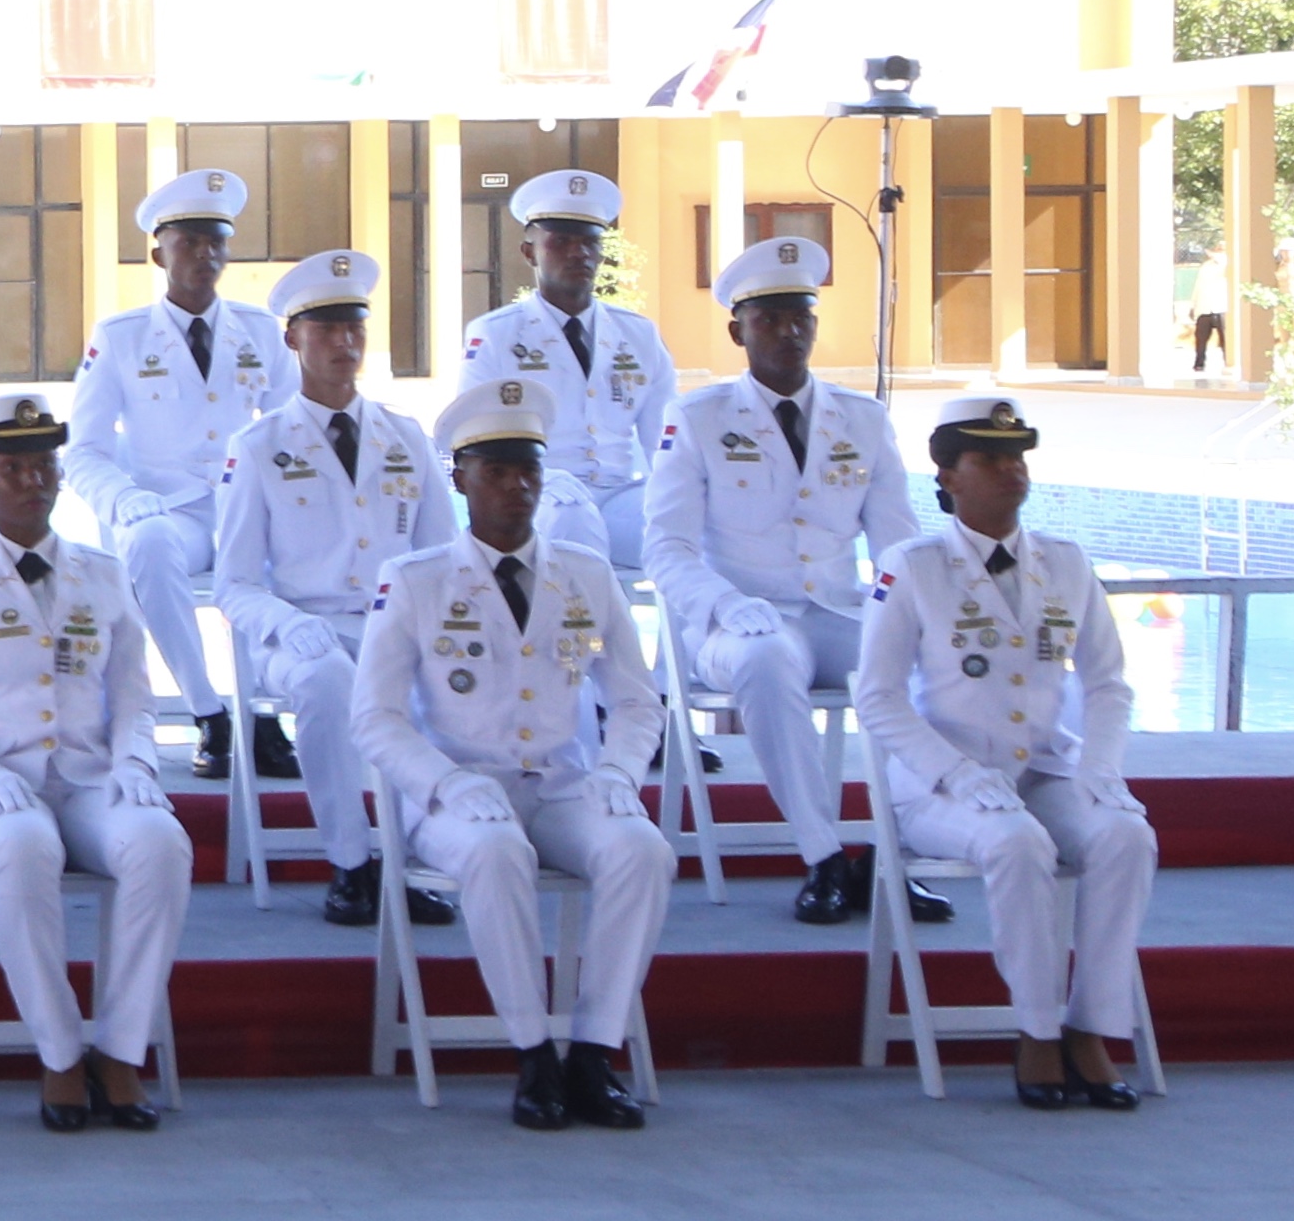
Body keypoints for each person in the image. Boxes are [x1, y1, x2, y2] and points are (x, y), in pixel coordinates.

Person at [356, 378, 671, 1130]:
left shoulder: (585, 575)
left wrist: (620, 772)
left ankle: (593, 1050)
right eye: (495, 471)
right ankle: (534, 1054)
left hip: (561, 784)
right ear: (460, 479)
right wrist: (445, 782)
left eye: (528, 469)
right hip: (458, 793)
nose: (516, 486)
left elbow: (636, 700)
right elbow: (375, 718)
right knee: (497, 853)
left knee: (643, 851)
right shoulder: (415, 582)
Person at [856, 392, 1155, 1110]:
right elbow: (878, 697)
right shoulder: (914, 566)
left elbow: (1108, 684)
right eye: (988, 458)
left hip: (1045, 770)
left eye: (1016, 456)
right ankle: (1037, 1030)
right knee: (1017, 843)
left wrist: (1100, 768)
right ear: (948, 475)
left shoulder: (1067, 562)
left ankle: (1092, 1025)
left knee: (1126, 836)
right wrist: (956, 773)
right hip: (942, 787)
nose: (1010, 470)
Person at [0, 393, 187, 1132]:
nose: (33, 481)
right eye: (14, 468)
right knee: (22, 847)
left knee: (161, 843)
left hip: (90, 778)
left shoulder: (103, 572)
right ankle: (60, 1053)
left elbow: (135, 698)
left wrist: (137, 764)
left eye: (44, 466)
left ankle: (121, 1048)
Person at [646, 236, 926, 924]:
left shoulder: (863, 419)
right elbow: (667, 548)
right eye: (768, 318)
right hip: (737, 622)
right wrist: (723, 603)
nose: (789, 331)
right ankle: (823, 856)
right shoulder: (699, 418)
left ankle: (894, 853)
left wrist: (910, 620)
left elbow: (897, 545)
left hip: (834, 612)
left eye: (801, 316)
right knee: (767, 660)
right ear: (737, 331)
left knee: (935, 668)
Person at [211, 249, 455, 927]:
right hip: (301, 630)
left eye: (355, 327)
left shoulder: (406, 437)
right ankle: (352, 864)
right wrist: (287, 624)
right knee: (324, 681)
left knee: (437, 680)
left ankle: (409, 860)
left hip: (391, 626)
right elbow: (233, 584)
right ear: (293, 338)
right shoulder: (259, 445)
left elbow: (442, 559)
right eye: (326, 328)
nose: (345, 342)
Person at [69, 166, 293, 783]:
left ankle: (262, 713)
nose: (204, 254)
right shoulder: (120, 337)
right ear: (157, 254)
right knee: (147, 543)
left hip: (244, 511)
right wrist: (125, 499)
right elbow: (83, 450)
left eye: (215, 240)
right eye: (188, 241)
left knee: (287, 553)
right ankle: (209, 711)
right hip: (169, 513)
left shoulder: (260, 331)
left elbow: (292, 431)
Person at [463, 170, 674, 562]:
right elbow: (477, 434)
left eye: (590, 242)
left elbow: (663, 439)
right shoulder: (495, 335)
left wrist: (676, 499)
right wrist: (535, 477)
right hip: (543, 494)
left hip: (621, 492)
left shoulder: (638, 334)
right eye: (561, 242)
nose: (579, 253)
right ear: (530, 252)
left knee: (680, 530)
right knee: (572, 523)